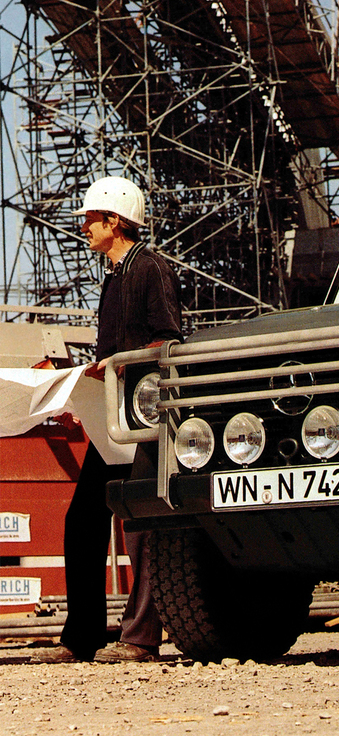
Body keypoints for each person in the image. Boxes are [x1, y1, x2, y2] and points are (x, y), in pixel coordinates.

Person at [33, 176, 182, 663]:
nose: (85, 228)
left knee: (142, 525)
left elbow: (168, 341)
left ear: (114, 221)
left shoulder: (150, 269)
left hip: (144, 421)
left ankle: (140, 639)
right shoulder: (114, 278)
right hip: (113, 421)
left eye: (90, 219)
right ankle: (82, 638)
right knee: (83, 521)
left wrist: (117, 365)